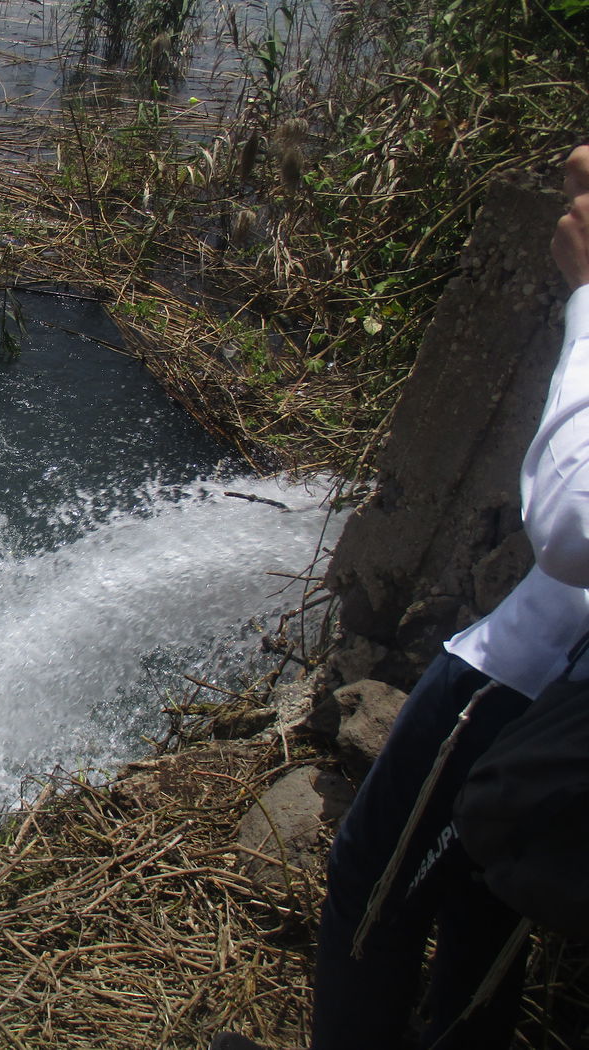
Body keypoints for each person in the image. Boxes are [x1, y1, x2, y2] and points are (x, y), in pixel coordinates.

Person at [214, 142, 589, 1050]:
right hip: (557, 682)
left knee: (376, 886)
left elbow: (574, 525)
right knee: (491, 899)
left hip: (534, 678)